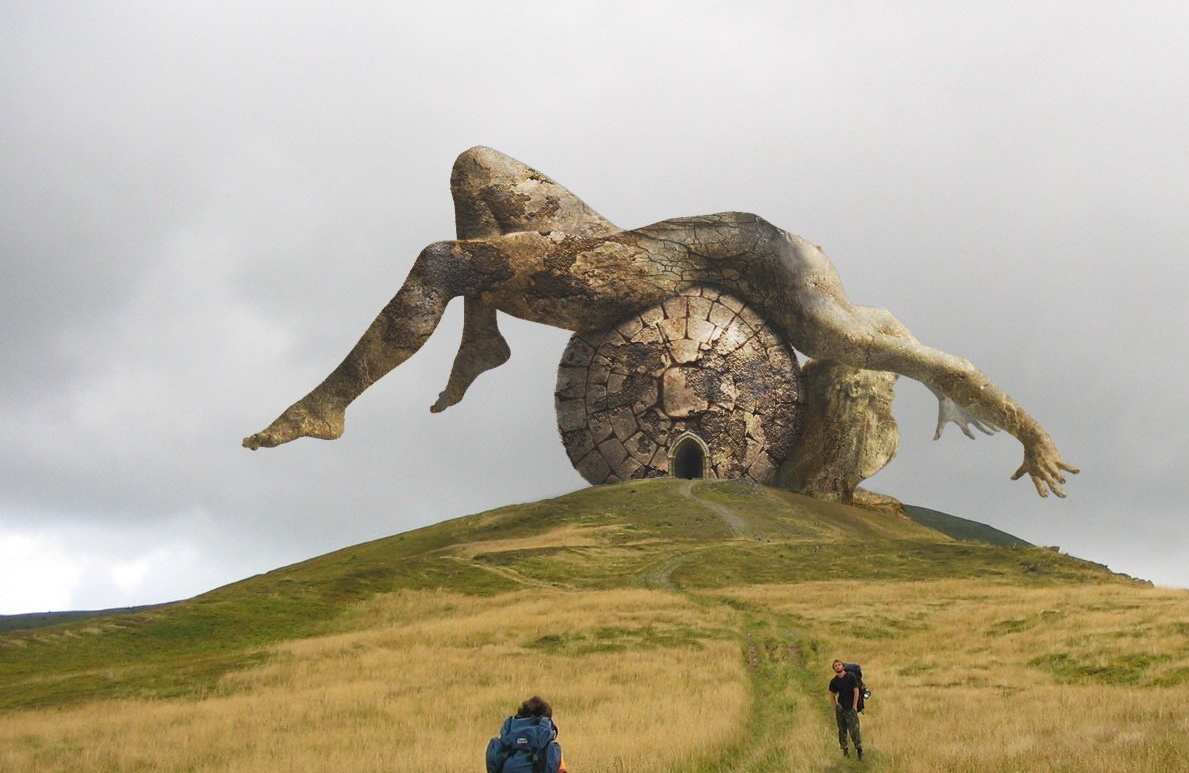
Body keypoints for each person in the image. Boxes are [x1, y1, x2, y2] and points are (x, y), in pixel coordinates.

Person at [242, 146, 1075, 498]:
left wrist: (1030, 433)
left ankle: (331, 404)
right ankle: (480, 333)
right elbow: (941, 367)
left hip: (629, 276)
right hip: (633, 244)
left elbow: (950, 370)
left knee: (441, 263)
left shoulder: (833, 331)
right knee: (478, 165)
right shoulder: (819, 283)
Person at [828, 659, 864, 760]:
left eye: (839, 665)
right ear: (834, 669)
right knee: (842, 730)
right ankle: (845, 750)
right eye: (835, 666)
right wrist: (835, 706)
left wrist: (855, 706)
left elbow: (856, 691)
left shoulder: (851, 677)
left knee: (854, 730)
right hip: (841, 709)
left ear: (843, 666)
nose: (838, 667)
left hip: (851, 708)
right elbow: (832, 695)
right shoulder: (834, 681)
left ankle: (859, 749)